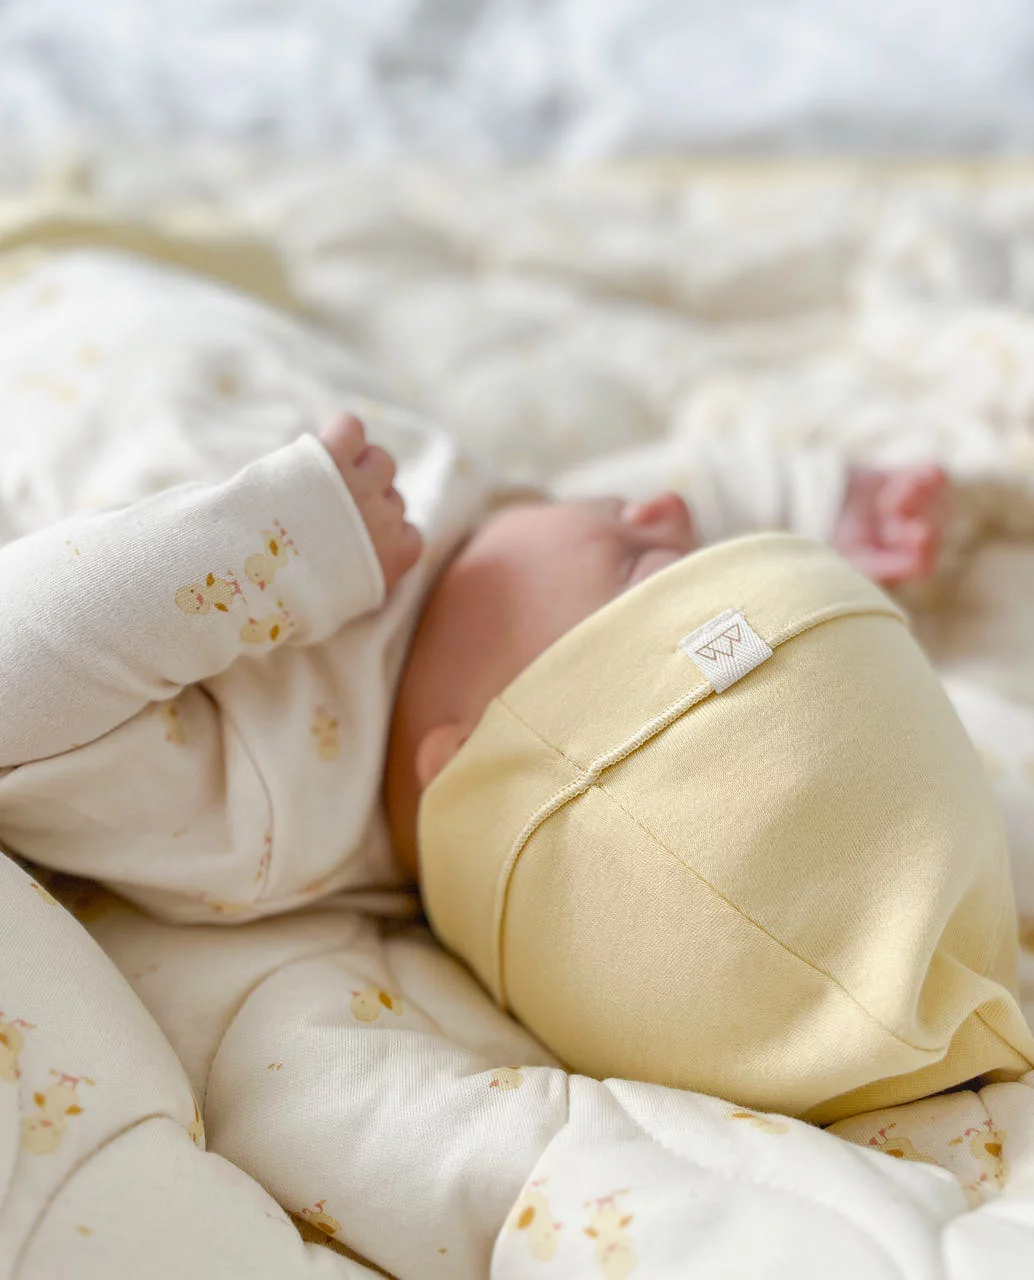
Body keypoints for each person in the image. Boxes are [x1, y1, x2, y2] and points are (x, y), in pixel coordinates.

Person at [1, 248, 1031, 1127]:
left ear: (466, 755)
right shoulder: (489, 591)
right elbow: (641, 501)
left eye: (644, 561)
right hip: (198, 292)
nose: (667, 508)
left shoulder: (257, 805)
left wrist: (277, 546)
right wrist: (812, 497)